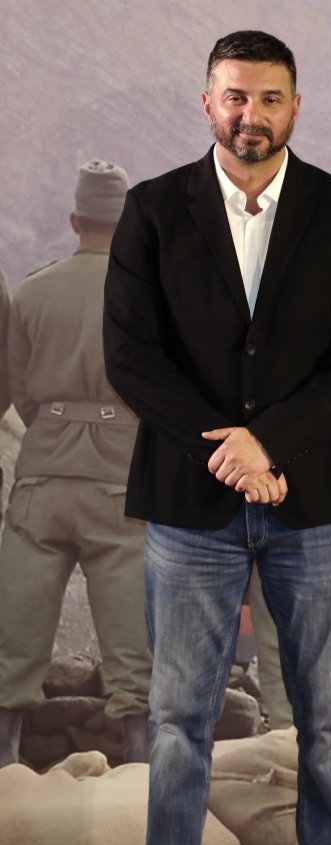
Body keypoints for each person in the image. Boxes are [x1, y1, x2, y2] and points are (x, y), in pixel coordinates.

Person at [103, 30, 331, 845]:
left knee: (330, 721)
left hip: (317, 504)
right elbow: (131, 357)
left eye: (269, 98)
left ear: (295, 106)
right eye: (235, 97)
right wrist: (229, 454)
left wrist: (267, 444)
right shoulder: (153, 209)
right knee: (177, 719)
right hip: (188, 506)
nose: (251, 115)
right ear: (208, 104)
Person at [0, 161, 152, 768]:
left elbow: (18, 390)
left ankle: (6, 768)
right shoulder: (150, 294)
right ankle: (141, 772)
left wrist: (56, 428)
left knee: (17, 630)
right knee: (132, 641)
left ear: (74, 221)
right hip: (120, 482)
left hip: (43, 478)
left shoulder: (34, 290)